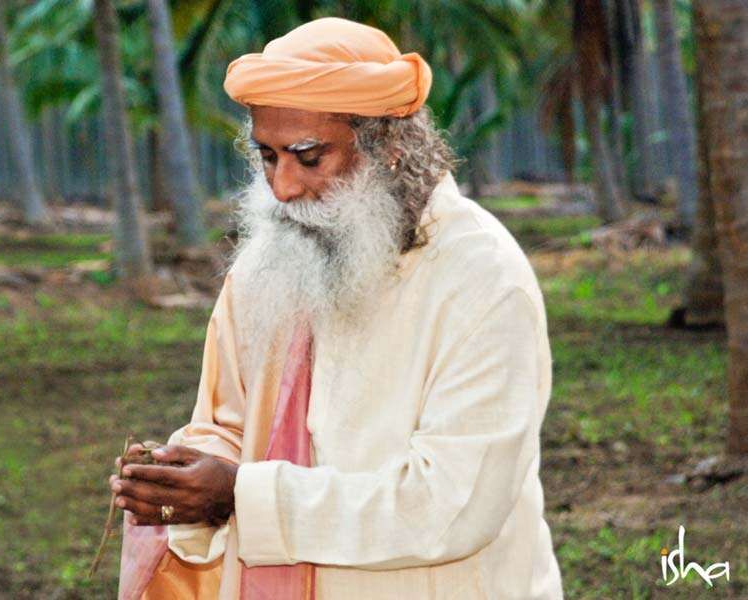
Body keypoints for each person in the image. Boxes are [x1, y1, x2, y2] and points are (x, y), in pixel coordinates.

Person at [108, 16, 564, 599]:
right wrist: (181, 474)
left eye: (307, 156)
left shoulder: (482, 278)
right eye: (268, 156)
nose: (281, 187)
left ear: (390, 149)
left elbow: (452, 506)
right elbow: (226, 424)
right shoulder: (268, 263)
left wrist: (238, 493)